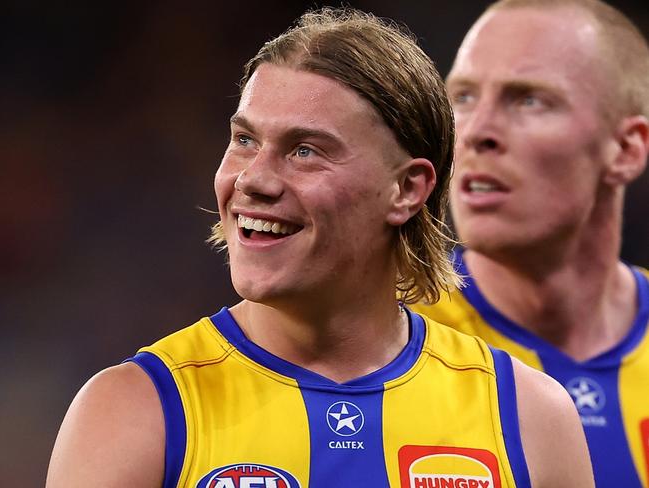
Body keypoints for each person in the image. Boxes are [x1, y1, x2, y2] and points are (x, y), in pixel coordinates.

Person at [46, 8, 593, 488]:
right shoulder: (135, 414)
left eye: (305, 150)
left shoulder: (528, 418)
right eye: (244, 140)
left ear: (405, 189)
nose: (252, 179)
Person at [411, 0, 649, 486]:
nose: (476, 133)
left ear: (625, 149)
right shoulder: (387, 342)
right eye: (463, 97)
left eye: (528, 100)